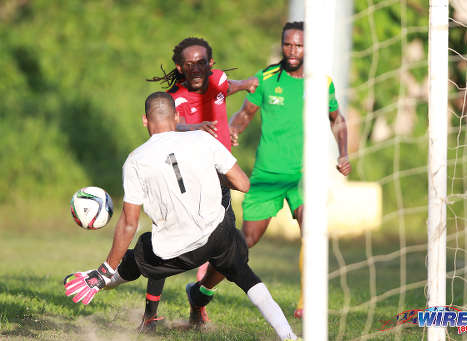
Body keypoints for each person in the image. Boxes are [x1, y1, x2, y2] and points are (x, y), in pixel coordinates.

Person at [64, 92, 299, 341]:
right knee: (243, 272)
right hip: (218, 234)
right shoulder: (202, 139)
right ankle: (289, 336)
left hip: (177, 250)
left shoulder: (135, 161)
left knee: (141, 252)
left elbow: (129, 223)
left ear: (145, 120)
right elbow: (243, 183)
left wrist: (106, 267)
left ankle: (100, 278)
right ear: (176, 116)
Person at [198, 21, 352, 319]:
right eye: (288, 44)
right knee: (245, 242)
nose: (292, 51)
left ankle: (307, 303)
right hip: (268, 175)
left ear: (309, 48)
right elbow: (244, 114)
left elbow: (338, 118)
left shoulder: (322, 82)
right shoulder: (267, 78)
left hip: (304, 176)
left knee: (312, 230)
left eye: (299, 45)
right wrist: (232, 133)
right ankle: (202, 291)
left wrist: (343, 153)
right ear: (282, 44)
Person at [142, 37, 259, 329]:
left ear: (211, 65)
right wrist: (195, 127)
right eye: (190, 64)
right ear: (180, 68)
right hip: (184, 178)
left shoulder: (218, 80)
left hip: (218, 180)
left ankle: (199, 296)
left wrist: (246, 84)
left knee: (229, 247)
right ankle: (150, 316)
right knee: (166, 242)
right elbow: (165, 124)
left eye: (202, 62)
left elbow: (225, 88)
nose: (196, 68)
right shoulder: (174, 97)